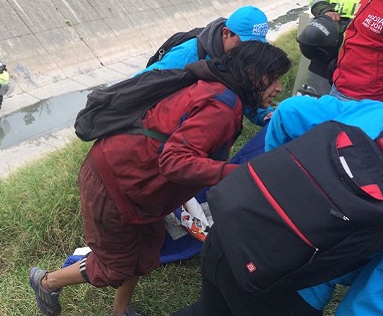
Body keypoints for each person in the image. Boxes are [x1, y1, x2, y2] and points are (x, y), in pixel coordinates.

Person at [29, 41, 291, 316]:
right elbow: (175, 160)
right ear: (252, 74)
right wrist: (240, 175)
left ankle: (121, 312)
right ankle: (47, 282)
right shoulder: (220, 107)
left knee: (145, 253)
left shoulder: (221, 89)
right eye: (273, 79)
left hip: (141, 185)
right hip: (116, 183)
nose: (279, 87)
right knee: (115, 267)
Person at [172, 95, 383, 316]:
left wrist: (269, 191)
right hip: (288, 289)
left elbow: (289, 111)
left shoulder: (380, 115)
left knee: (205, 310)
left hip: (232, 230)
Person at [138, 5, 271, 126]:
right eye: (244, 44)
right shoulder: (189, 53)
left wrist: (265, 115)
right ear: (226, 33)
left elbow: (245, 91)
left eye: (256, 45)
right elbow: (141, 83)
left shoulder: (243, 57)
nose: (249, 50)